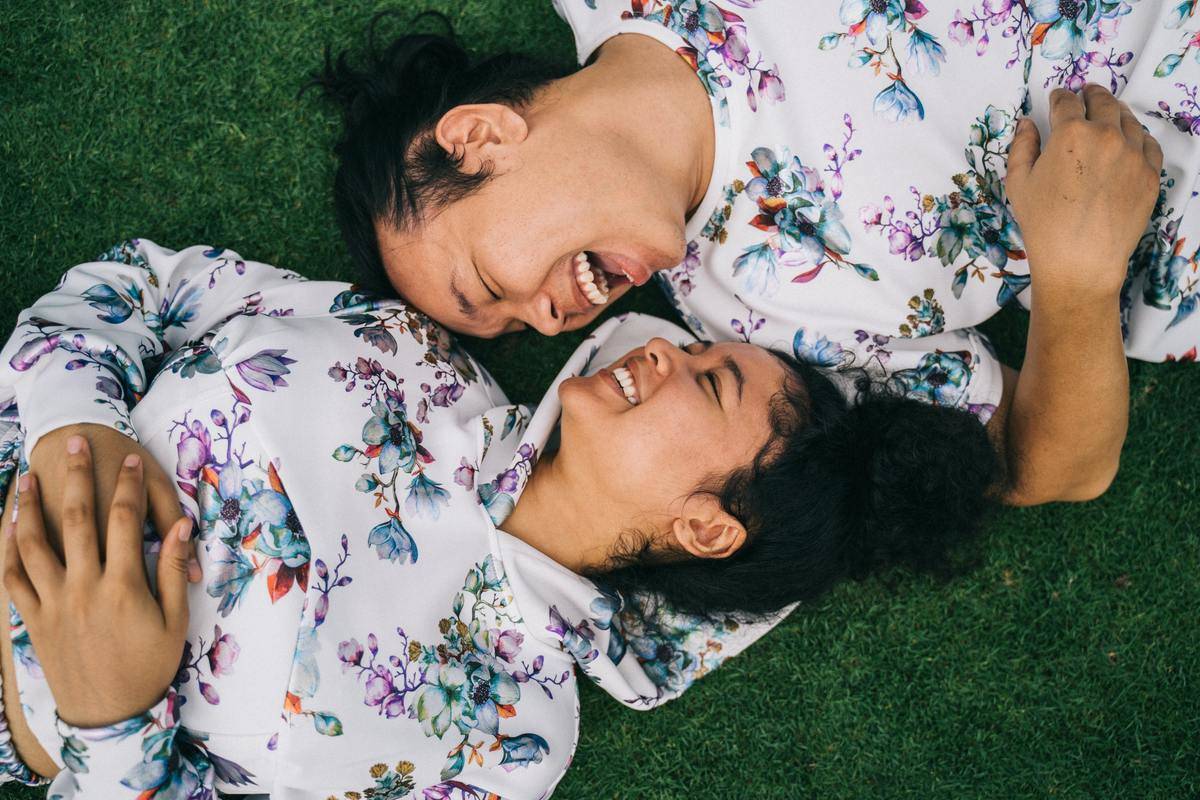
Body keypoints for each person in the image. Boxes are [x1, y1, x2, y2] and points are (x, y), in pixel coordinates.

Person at [0, 240, 994, 797]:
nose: (666, 353)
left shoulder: (513, 735)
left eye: (711, 379)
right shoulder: (413, 350)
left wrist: (112, 720)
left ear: (709, 525)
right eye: (695, 347)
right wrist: (69, 428)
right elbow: (142, 289)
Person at [313, 2, 1187, 505]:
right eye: (513, 327)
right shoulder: (767, 321)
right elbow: (1046, 469)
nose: (544, 319)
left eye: (486, 286)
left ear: (480, 138)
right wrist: (1080, 278)